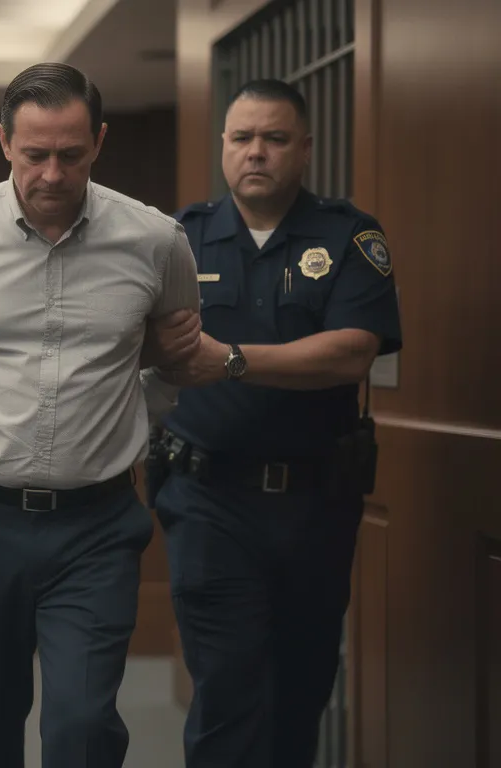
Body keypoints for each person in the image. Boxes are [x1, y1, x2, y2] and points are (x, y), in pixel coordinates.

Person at [0, 61, 202, 768]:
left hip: (95, 524)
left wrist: (119, 422)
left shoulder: (156, 241)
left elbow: (173, 362)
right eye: (34, 155)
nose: (52, 174)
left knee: (82, 726)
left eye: (70, 154)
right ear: (3, 142)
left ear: (99, 141)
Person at [151, 79, 403, 768]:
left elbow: (352, 350)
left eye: (275, 138)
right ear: (224, 147)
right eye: (242, 138)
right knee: (227, 689)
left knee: (301, 690)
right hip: (208, 500)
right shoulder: (180, 238)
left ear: (306, 150)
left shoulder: (349, 235)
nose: (255, 152)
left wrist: (228, 360)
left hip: (316, 505)